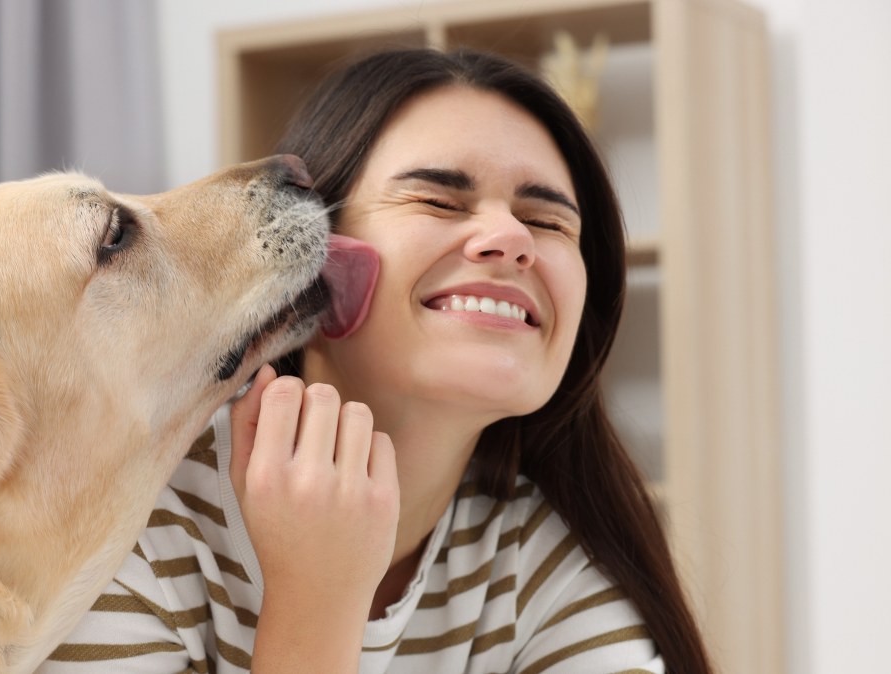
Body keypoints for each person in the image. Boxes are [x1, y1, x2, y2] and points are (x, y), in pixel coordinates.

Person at [38, 47, 712, 673]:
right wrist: (318, 597)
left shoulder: (541, 558)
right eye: (440, 200)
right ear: (310, 258)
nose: (510, 238)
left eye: (547, 222)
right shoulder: (137, 524)